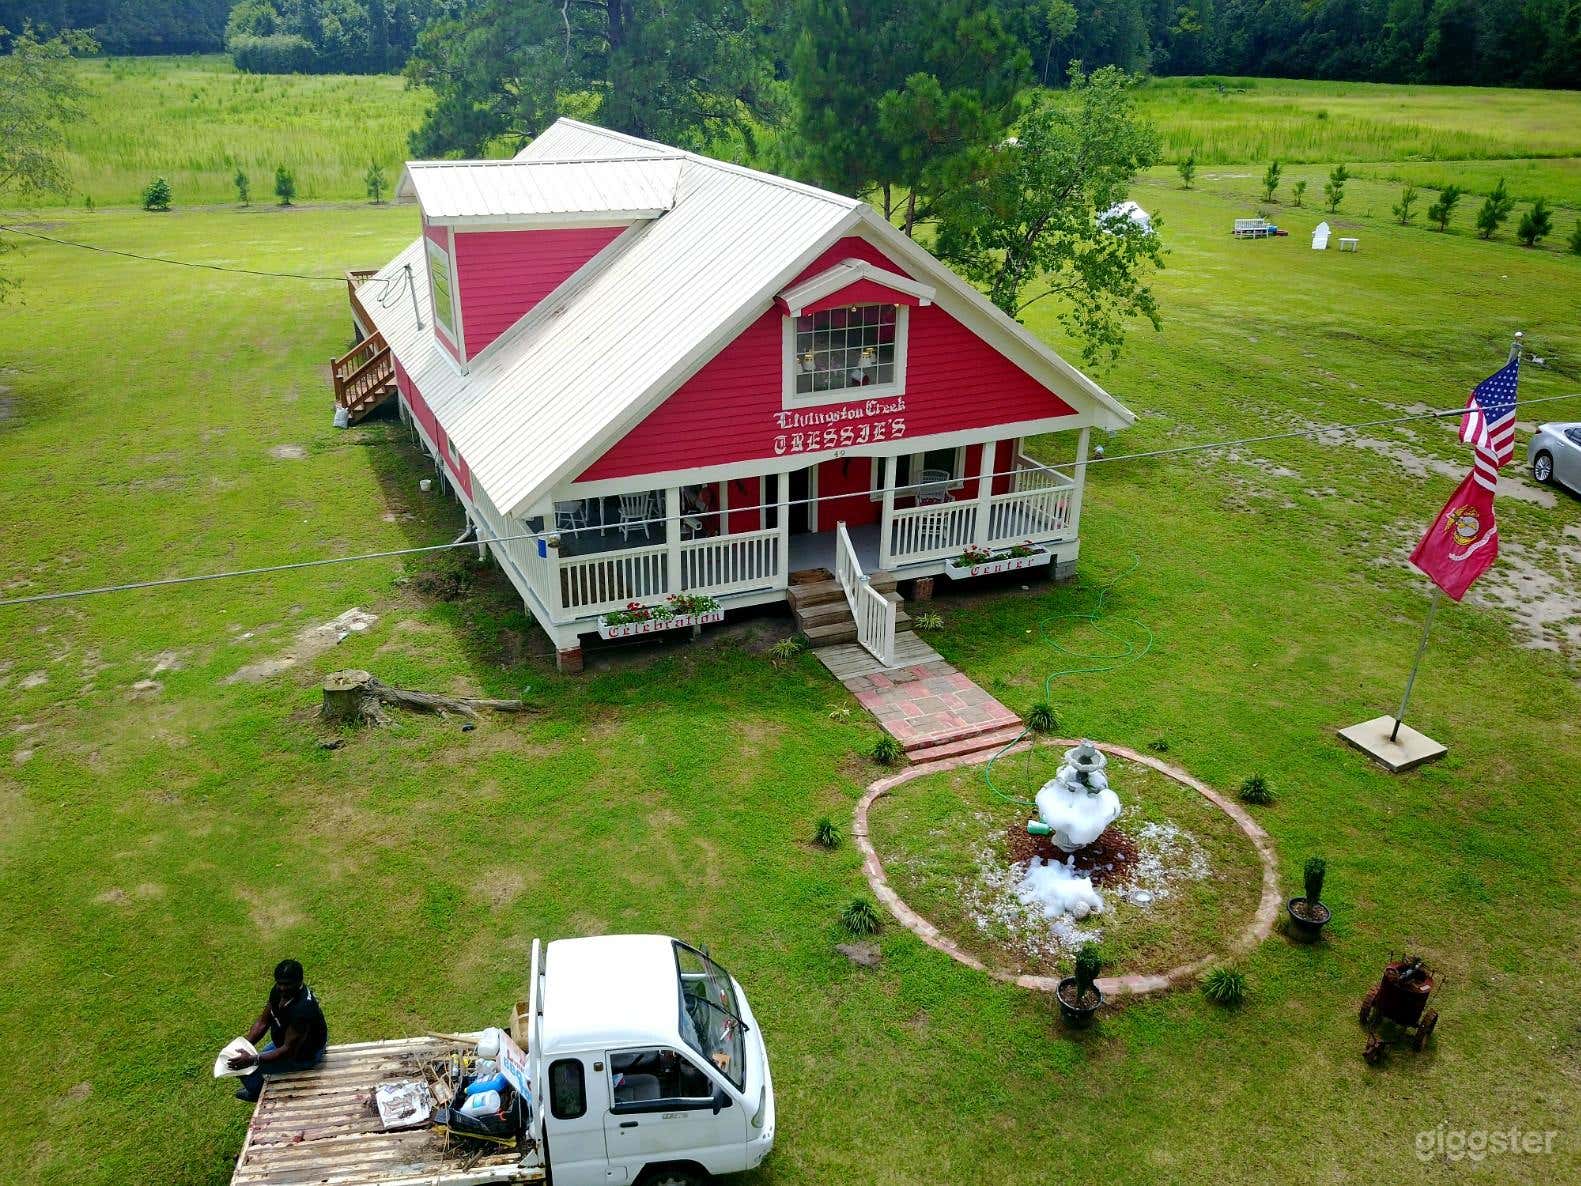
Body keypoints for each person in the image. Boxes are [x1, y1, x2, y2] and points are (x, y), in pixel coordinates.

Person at [229, 958, 329, 1102]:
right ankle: (258, 1085)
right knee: (248, 1060)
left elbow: (288, 1050)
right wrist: (241, 1046)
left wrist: (252, 1060)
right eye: (279, 983)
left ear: (299, 981)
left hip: (304, 1055)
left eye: (287, 984)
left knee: (244, 1069)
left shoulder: (303, 1009)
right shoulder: (279, 991)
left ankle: (258, 1095)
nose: (282, 988)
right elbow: (263, 1022)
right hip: (285, 1043)